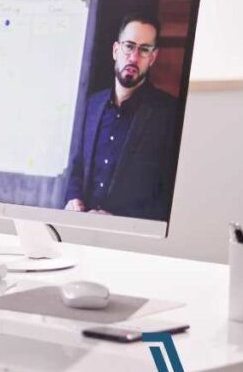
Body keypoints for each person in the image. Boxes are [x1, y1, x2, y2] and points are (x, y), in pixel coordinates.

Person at [63, 13, 178, 221]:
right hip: (82, 230)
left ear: (152, 58)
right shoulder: (93, 105)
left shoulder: (168, 113)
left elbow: (168, 197)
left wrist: (118, 219)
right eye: (129, 46)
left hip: (129, 240)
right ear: (116, 50)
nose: (134, 57)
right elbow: (78, 168)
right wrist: (73, 199)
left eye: (144, 50)